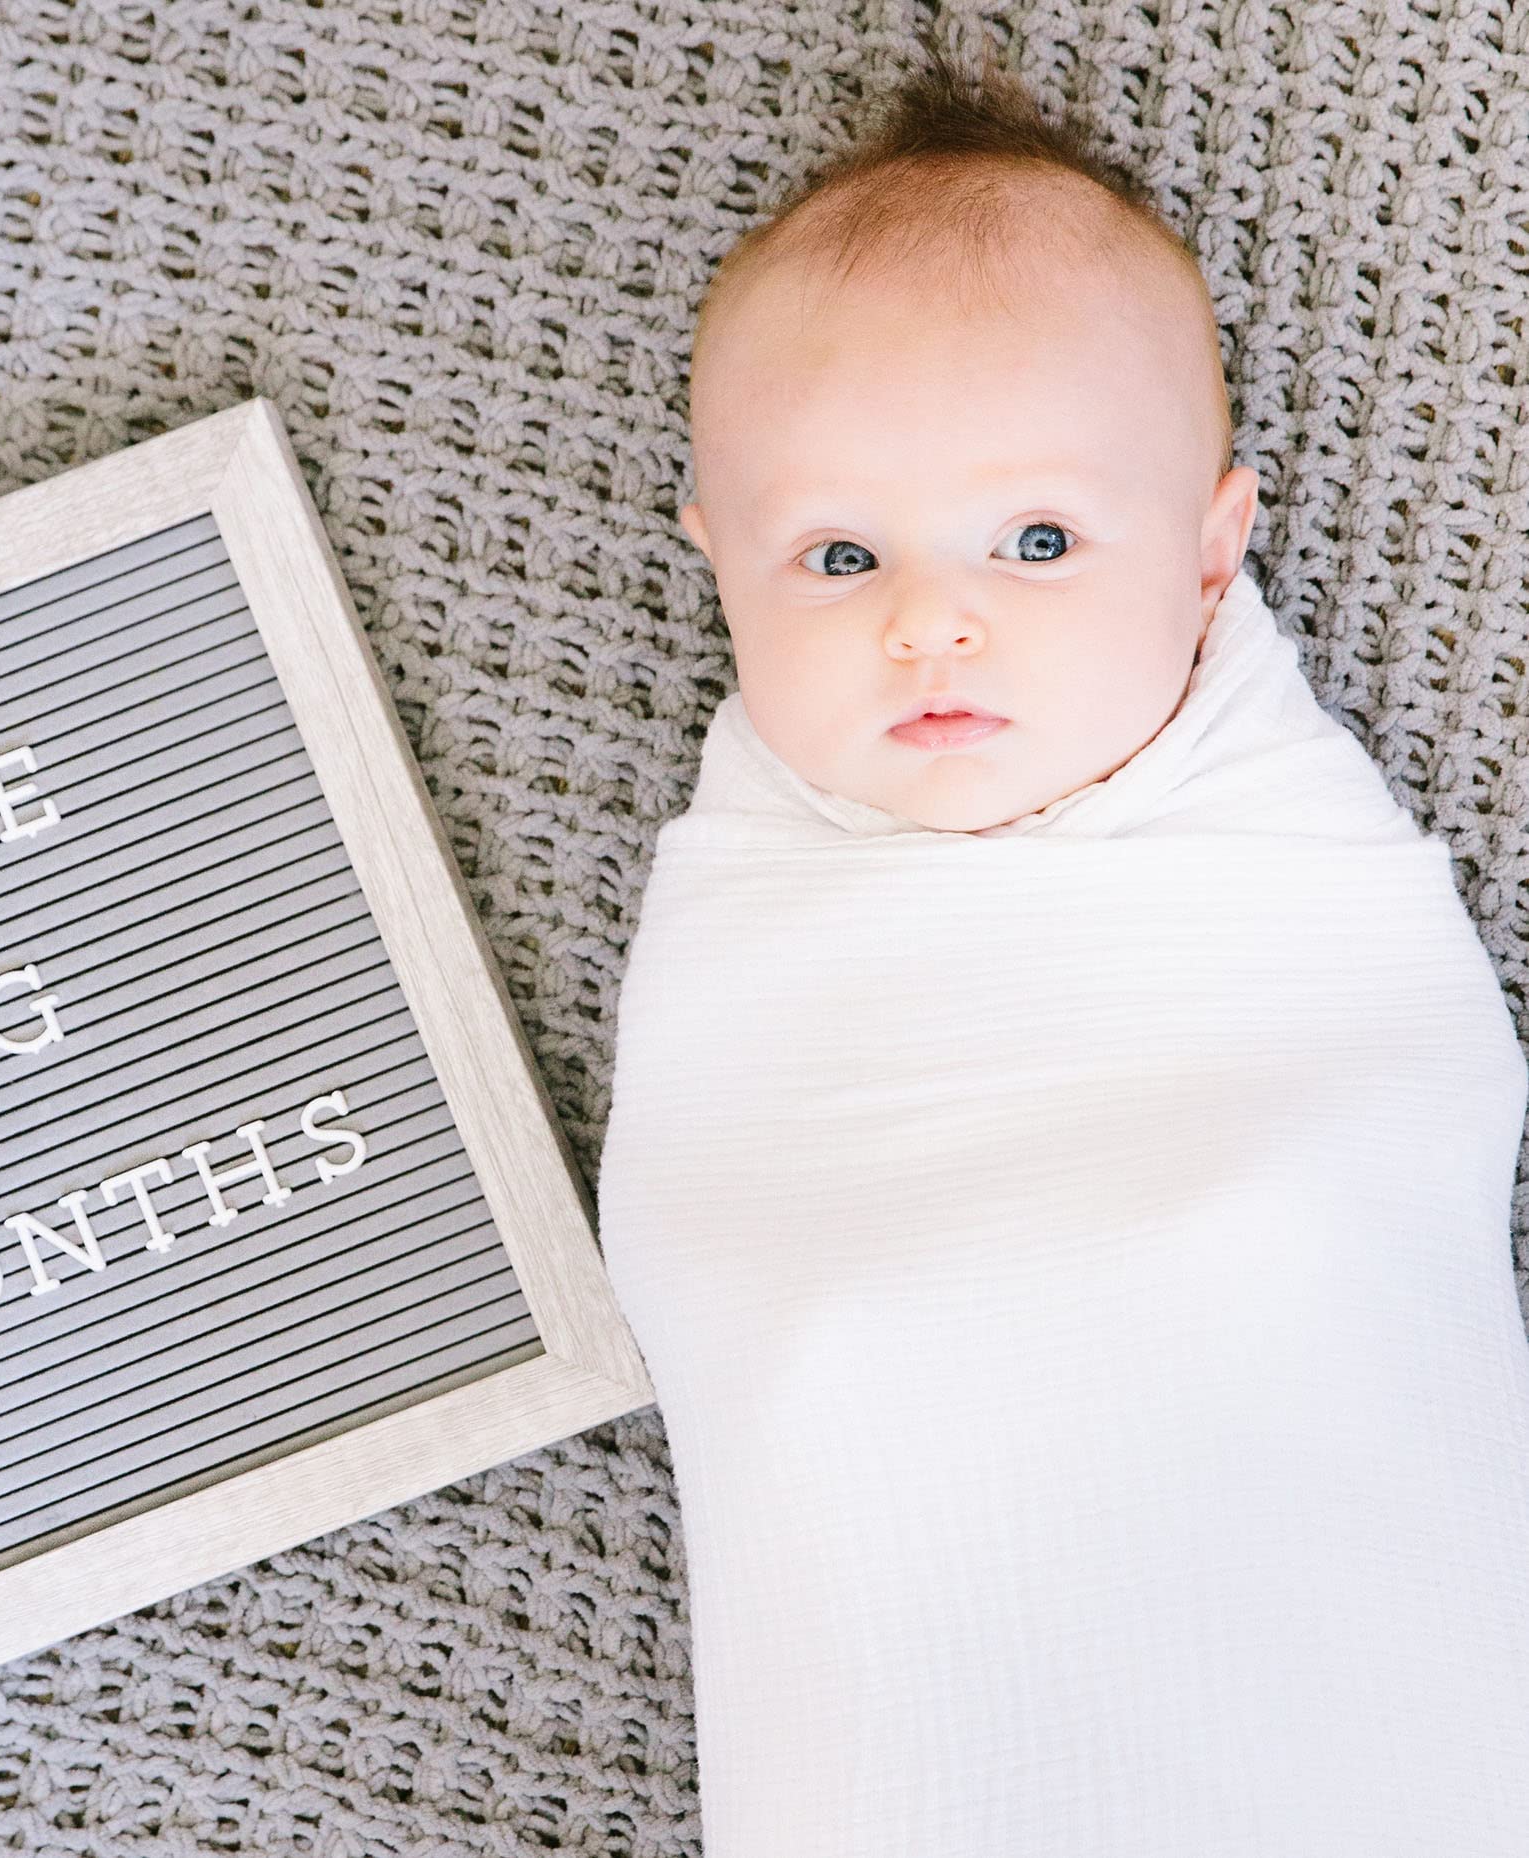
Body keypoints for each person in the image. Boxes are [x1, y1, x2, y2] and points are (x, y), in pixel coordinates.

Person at [594, 37, 1529, 1856]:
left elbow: (1369, 1127)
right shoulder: (748, 912)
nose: (933, 623)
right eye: (839, 559)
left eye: (1036, 538)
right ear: (717, 562)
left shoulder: (1272, 845)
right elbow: (741, 1255)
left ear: (1207, 557)